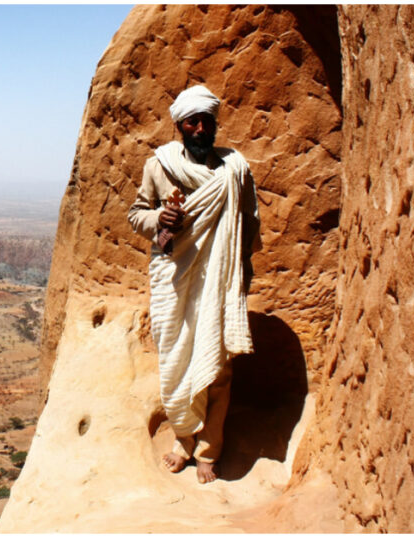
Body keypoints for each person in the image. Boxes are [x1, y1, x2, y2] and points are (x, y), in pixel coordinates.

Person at [128, 84, 261, 484]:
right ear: (180, 126)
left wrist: (240, 273)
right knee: (177, 358)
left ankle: (208, 451)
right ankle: (183, 441)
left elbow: (249, 223)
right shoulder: (161, 166)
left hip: (219, 280)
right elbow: (137, 214)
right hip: (175, 278)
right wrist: (159, 222)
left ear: (214, 124)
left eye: (207, 121)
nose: (201, 128)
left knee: (216, 368)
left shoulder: (234, 169)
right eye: (193, 121)